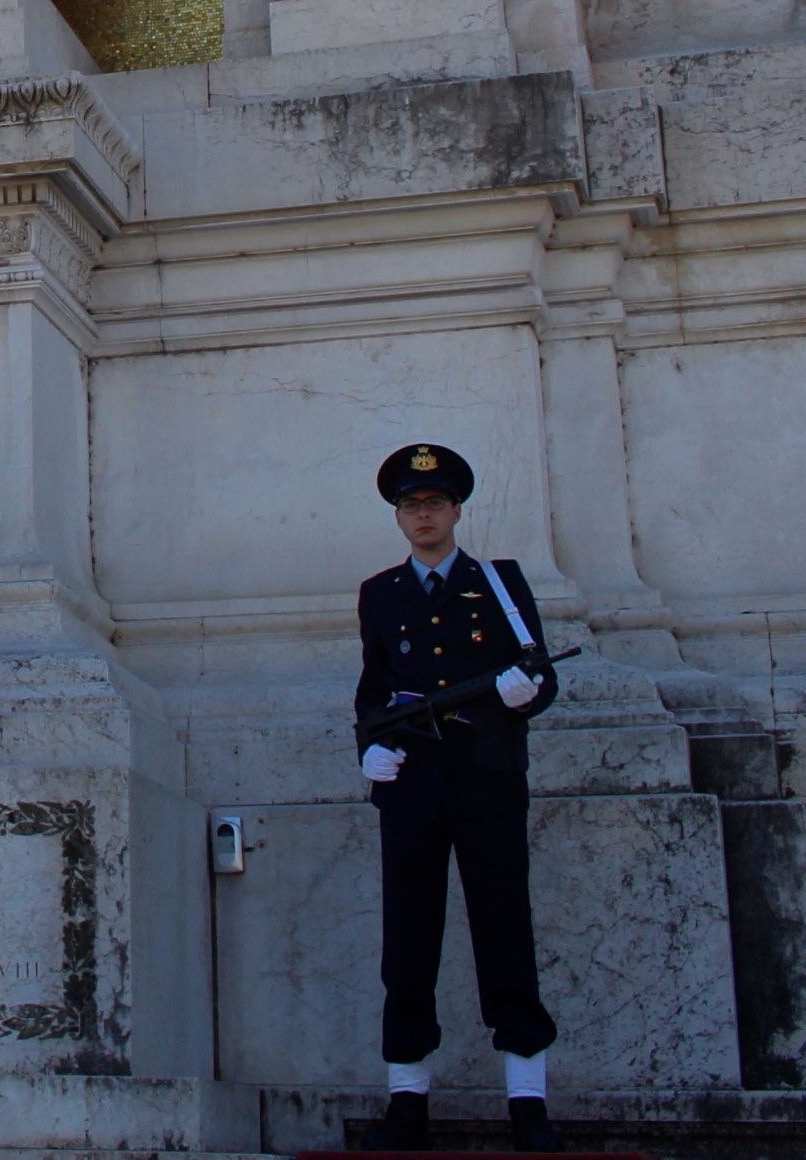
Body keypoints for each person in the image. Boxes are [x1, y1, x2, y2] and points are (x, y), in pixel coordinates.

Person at [355, 444, 561, 1153]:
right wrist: (368, 753)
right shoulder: (380, 593)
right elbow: (373, 693)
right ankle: (407, 1099)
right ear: (399, 516)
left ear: (456, 510)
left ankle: (527, 1101)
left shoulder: (497, 584)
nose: (423, 516)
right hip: (412, 779)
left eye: (434, 504)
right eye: (412, 506)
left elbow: (542, 676)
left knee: (504, 927)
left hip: (485, 774)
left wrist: (522, 695)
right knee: (408, 939)